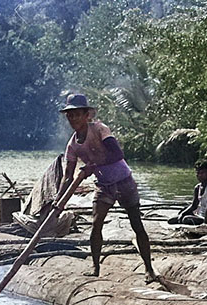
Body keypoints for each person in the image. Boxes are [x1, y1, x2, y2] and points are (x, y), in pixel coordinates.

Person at [55, 93, 156, 280]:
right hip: (104, 185)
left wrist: (95, 165)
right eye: (70, 115)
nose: (73, 119)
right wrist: (58, 200)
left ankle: (149, 269)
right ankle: (95, 266)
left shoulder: (100, 129)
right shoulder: (72, 145)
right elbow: (68, 176)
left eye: (77, 114)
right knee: (96, 224)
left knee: (136, 223)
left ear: (87, 115)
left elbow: (117, 154)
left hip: (124, 181)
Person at [168, 160, 207, 225]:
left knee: (186, 219)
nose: (199, 175)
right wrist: (182, 213)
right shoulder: (197, 187)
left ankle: (202, 221)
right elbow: (194, 206)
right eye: (198, 173)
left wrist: (205, 223)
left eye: (202, 173)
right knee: (172, 220)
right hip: (198, 215)